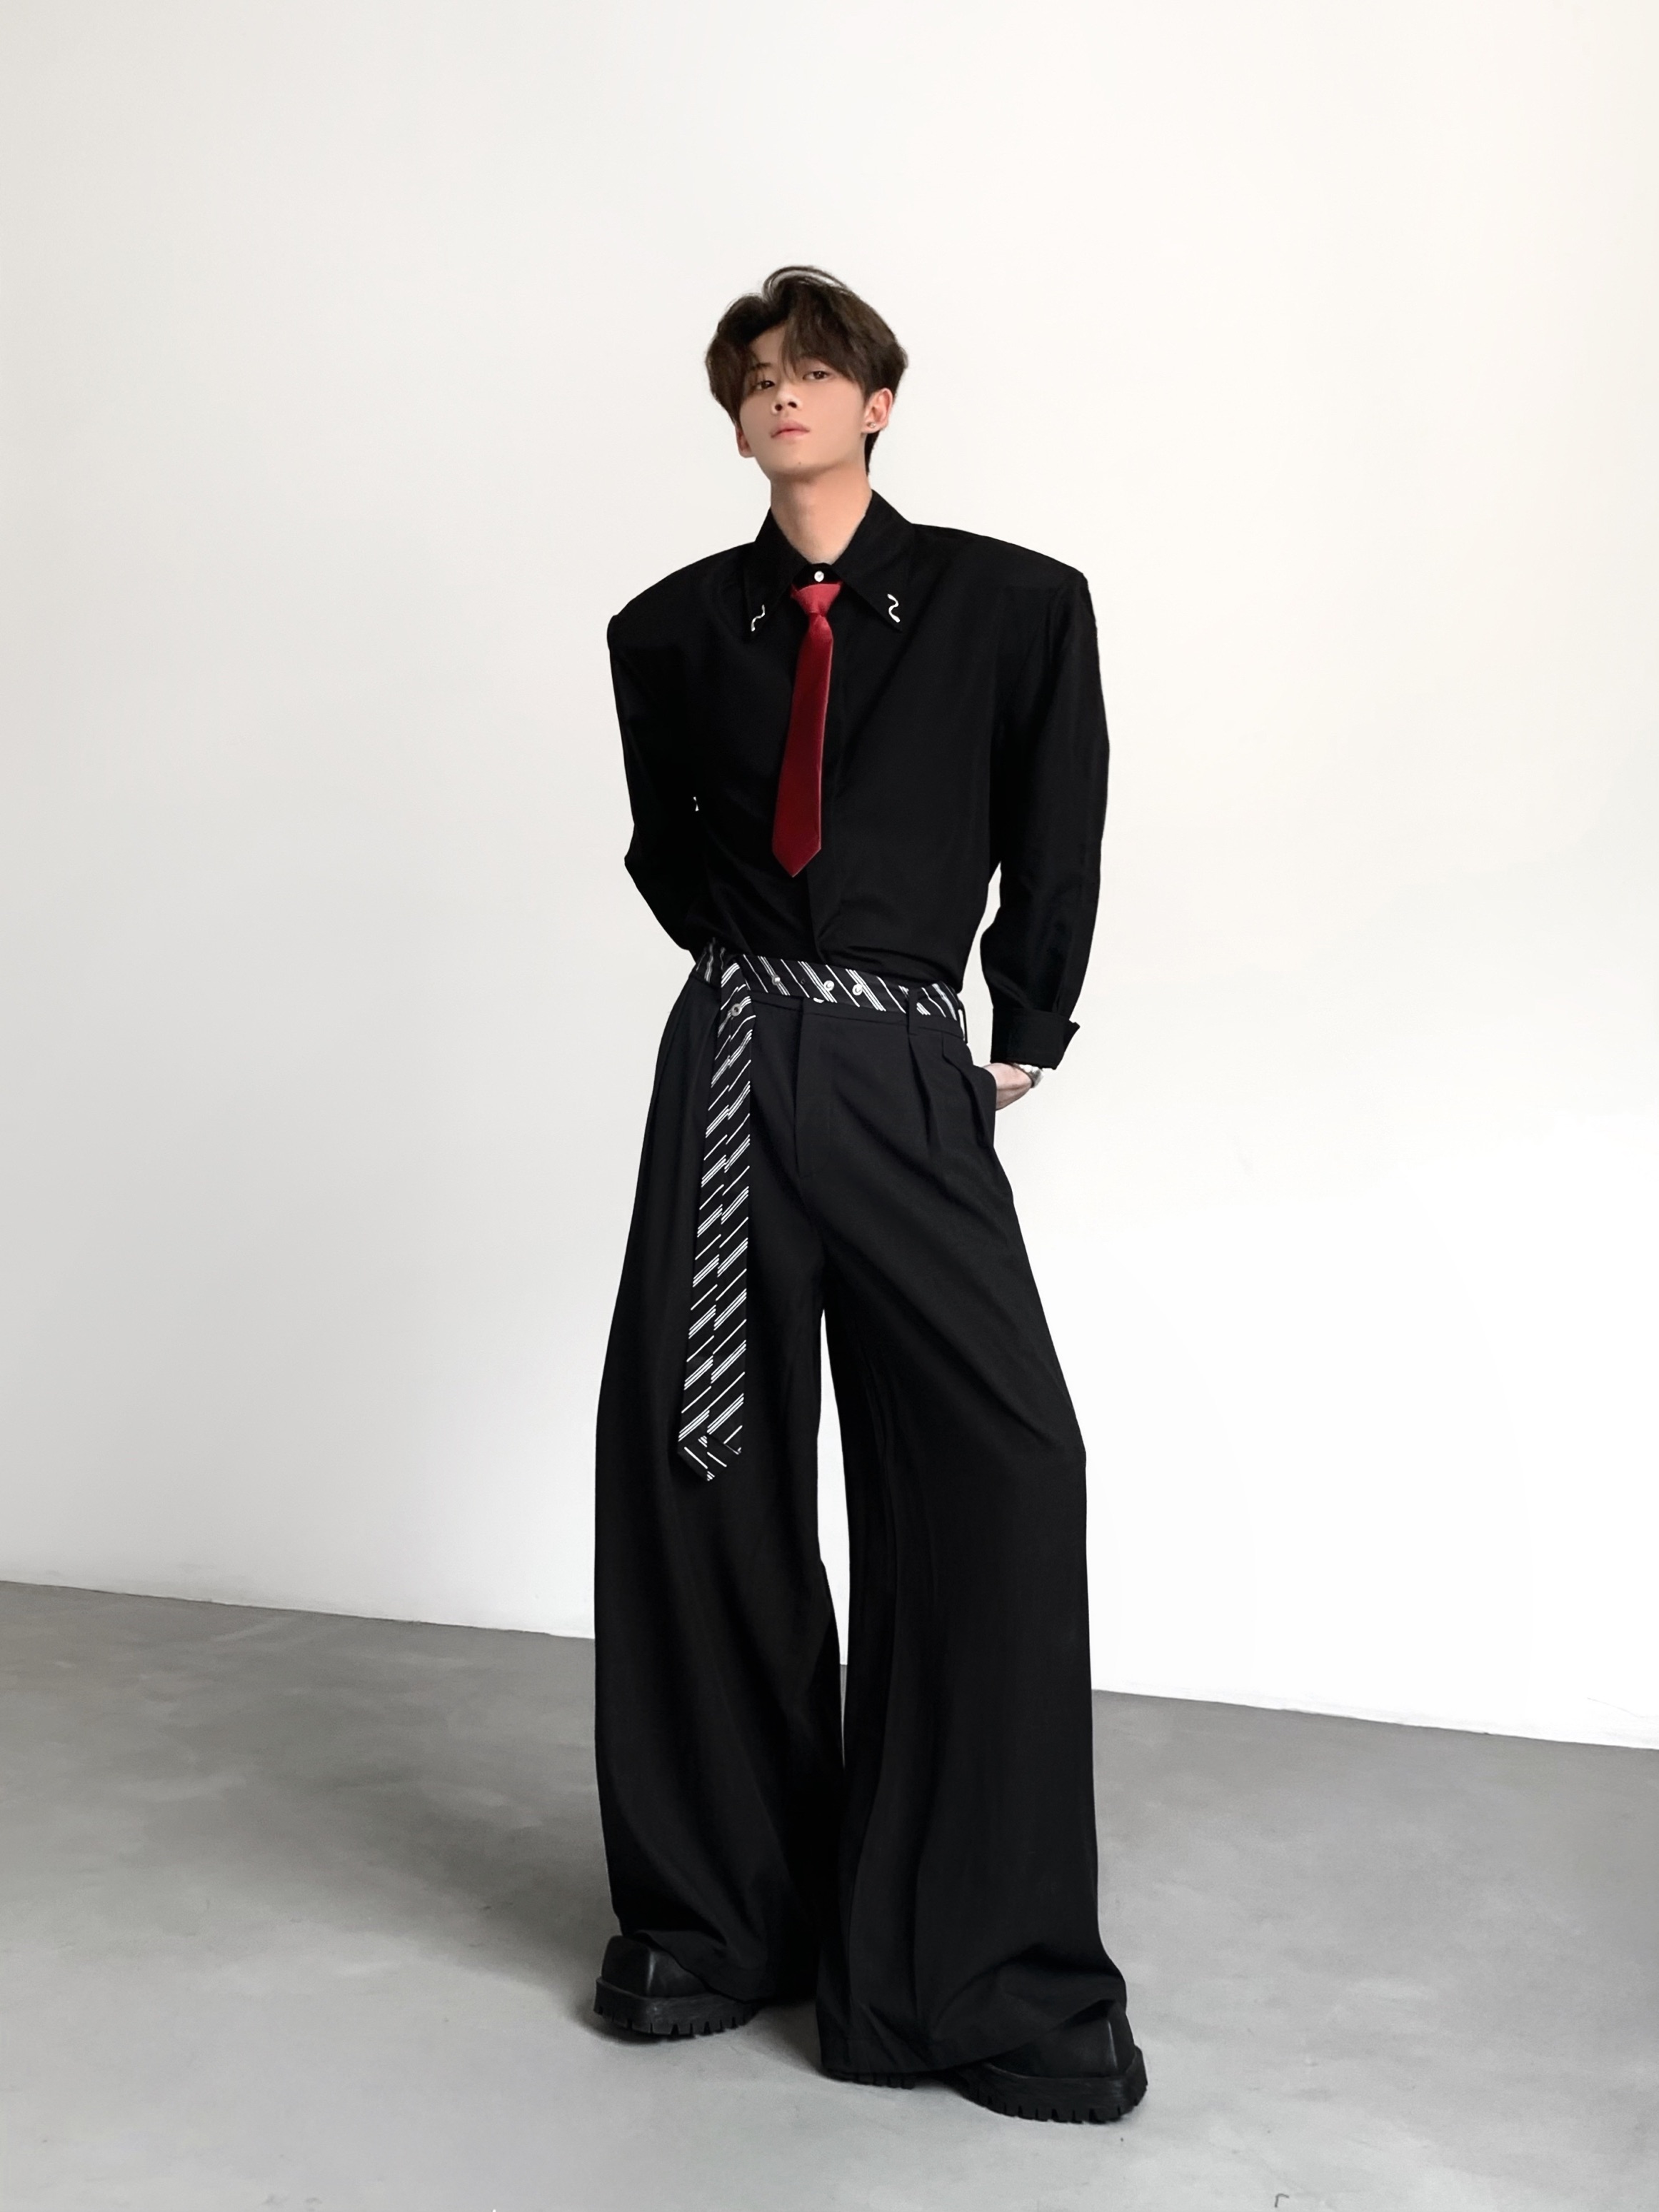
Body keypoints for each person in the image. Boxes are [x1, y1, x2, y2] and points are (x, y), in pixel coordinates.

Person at [590, 265, 1145, 2125]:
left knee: (1004, 1465)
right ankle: (716, 1921)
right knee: (703, 1472)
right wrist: (770, 978)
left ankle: (969, 1971)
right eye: (755, 377)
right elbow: (669, 853)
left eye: (815, 371)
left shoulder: (1013, 605)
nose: (783, 395)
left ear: (877, 401)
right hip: (737, 1061)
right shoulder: (670, 631)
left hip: (911, 1061)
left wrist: (1019, 1027)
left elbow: (1056, 820)